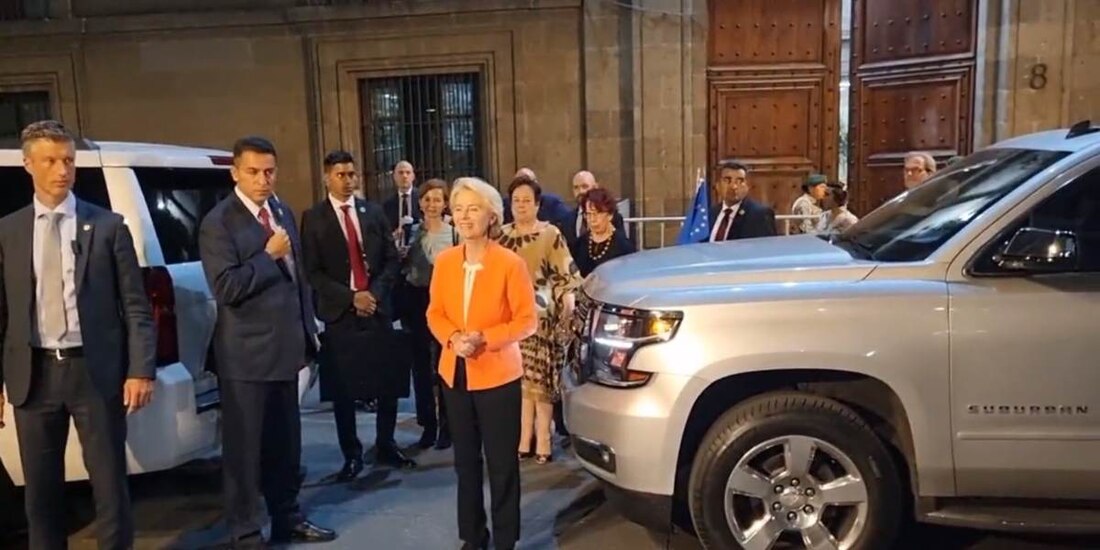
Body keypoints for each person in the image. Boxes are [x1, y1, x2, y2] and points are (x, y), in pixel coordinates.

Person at [0, 120, 156, 550]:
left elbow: (137, 307)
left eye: (68, 160)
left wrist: (141, 370)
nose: (61, 170)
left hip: (95, 373)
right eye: (50, 160)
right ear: (28, 164)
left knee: (109, 487)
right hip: (34, 376)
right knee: (41, 495)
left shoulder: (106, 226)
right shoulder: (9, 231)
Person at [199, 136, 335, 546]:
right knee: (244, 454)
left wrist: (309, 332)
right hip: (245, 358)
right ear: (236, 173)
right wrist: (268, 255)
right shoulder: (219, 222)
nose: (263, 179)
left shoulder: (281, 210)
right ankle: (244, 531)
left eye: (270, 171)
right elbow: (226, 287)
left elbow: (298, 280)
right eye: (254, 172)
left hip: (286, 349)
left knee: (285, 447)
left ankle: (287, 516)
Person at [426, 177, 537, 550]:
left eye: (473, 209)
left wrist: (485, 339)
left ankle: (505, 541)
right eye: (458, 209)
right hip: (454, 374)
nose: (464, 216)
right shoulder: (443, 262)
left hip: (498, 376)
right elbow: (435, 313)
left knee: (502, 465)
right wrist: (453, 338)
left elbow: (527, 321)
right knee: (465, 464)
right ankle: (473, 537)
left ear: (491, 215)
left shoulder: (510, 263)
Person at [300, 150, 416, 483]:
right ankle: (351, 454)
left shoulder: (373, 212)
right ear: (326, 178)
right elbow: (314, 271)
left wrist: (374, 294)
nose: (349, 180)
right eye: (341, 175)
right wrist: (352, 298)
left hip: (377, 307)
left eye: (352, 174)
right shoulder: (315, 218)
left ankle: (386, 443)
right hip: (341, 312)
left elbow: (392, 260)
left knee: (388, 380)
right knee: (344, 389)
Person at [498, 175, 581, 464]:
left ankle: (543, 438)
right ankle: (523, 439)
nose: (521, 206)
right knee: (521, 384)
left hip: (542, 317)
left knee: (541, 384)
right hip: (508, 318)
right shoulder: (500, 235)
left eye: (526, 201)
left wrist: (568, 303)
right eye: (516, 201)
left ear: (537, 204)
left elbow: (566, 274)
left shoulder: (550, 234)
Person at [402, 178, 457, 450]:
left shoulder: (455, 234)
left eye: (437, 199)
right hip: (416, 300)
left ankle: (448, 426)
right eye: (427, 199)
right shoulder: (410, 231)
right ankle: (428, 424)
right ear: (420, 202)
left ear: (445, 203)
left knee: (444, 365)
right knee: (420, 367)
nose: (432, 204)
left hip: (446, 302)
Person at [571, 188, 636, 277]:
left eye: (597, 213)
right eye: (588, 214)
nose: (592, 220)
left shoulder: (624, 246)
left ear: (610, 215)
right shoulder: (579, 244)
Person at [707, 160, 777, 241]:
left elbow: (767, 249)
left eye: (740, 181)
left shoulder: (760, 215)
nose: (734, 186)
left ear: (747, 186)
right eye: (727, 180)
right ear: (717, 185)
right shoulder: (711, 213)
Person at [561, 170, 626, 248]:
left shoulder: (613, 217)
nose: (580, 191)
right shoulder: (567, 220)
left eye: (585, 186)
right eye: (576, 188)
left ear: (595, 187)